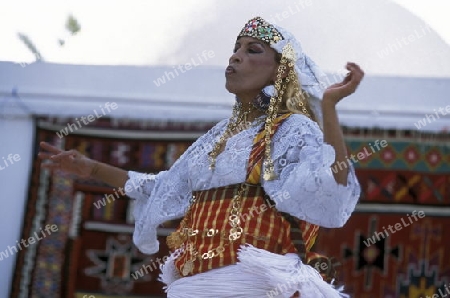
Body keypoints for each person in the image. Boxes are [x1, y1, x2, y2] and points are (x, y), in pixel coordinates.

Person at [39, 16, 363, 298]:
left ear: (281, 71)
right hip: (193, 287)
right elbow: (162, 188)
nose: (236, 57)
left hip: (259, 286)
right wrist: (91, 168)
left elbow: (330, 192)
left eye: (252, 50)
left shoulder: (292, 129)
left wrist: (330, 109)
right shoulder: (214, 138)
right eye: (236, 48)